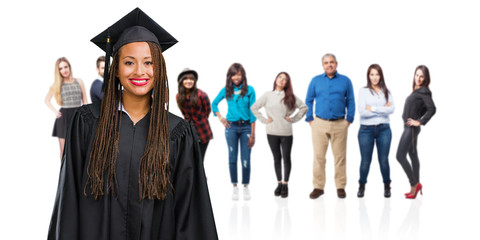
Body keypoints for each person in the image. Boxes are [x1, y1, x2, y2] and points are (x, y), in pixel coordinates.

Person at [47, 8, 218, 239]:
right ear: (115, 69)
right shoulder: (86, 123)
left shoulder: (177, 133)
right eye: (129, 62)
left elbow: (191, 213)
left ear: (159, 69)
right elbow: (68, 200)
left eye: (149, 63)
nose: (140, 71)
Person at [305, 53, 355, 199]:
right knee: (319, 157)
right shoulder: (315, 81)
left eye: (331, 62)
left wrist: (349, 120)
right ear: (323, 65)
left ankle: (340, 187)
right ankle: (318, 187)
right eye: (326, 63)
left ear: (336, 64)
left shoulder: (346, 81)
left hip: (340, 124)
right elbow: (308, 100)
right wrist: (310, 119)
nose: (329, 65)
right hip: (319, 124)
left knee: (340, 157)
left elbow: (351, 101)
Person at [251, 72, 307, 198]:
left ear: (287, 83)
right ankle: (279, 183)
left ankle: (286, 184)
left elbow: (304, 107)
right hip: (271, 132)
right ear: (276, 79)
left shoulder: (290, 96)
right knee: (277, 158)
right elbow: (254, 107)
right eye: (280, 77)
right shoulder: (267, 95)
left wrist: (292, 119)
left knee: (286, 158)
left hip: (286, 132)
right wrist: (264, 120)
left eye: (285, 79)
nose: (282, 80)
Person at [212, 63, 256, 201]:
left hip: (246, 128)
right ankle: (235, 186)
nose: (236, 77)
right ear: (229, 76)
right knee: (232, 157)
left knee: (246, 159)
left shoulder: (250, 90)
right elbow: (214, 104)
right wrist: (220, 118)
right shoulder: (226, 90)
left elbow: (253, 112)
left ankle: (245, 186)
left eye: (238, 74)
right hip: (231, 128)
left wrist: (253, 135)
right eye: (233, 74)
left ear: (242, 75)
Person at [396, 65, 436, 199]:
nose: (418, 78)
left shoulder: (424, 91)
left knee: (400, 156)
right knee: (412, 154)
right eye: (416, 75)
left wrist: (419, 121)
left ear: (426, 78)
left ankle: (414, 184)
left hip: (411, 128)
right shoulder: (417, 90)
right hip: (409, 128)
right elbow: (423, 108)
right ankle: (415, 187)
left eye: (421, 76)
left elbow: (432, 109)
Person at [356, 64, 394, 198]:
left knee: (383, 160)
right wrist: (382, 109)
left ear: (381, 75)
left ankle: (387, 186)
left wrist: (371, 108)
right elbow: (361, 112)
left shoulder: (386, 91)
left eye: (377, 74)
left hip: (384, 129)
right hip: (366, 130)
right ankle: (361, 185)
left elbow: (392, 109)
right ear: (368, 76)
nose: (374, 77)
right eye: (372, 74)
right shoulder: (363, 91)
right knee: (365, 160)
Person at [45, 57, 88, 160]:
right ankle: (64, 175)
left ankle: (77, 174)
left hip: (78, 115)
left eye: (65, 67)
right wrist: (55, 112)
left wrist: (87, 117)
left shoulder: (79, 81)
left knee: (80, 148)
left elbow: (85, 101)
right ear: (58, 71)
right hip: (64, 118)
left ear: (69, 67)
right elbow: (47, 100)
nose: (64, 70)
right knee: (64, 150)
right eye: (61, 68)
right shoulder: (57, 84)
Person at [176, 68, 213, 163]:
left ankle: (201, 178)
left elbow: (208, 111)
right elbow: (184, 113)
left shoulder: (202, 95)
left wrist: (200, 120)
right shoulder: (179, 96)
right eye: (186, 79)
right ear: (181, 81)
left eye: (191, 79)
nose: (189, 81)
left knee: (199, 159)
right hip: (189, 130)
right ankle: (192, 177)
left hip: (202, 131)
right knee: (189, 159)